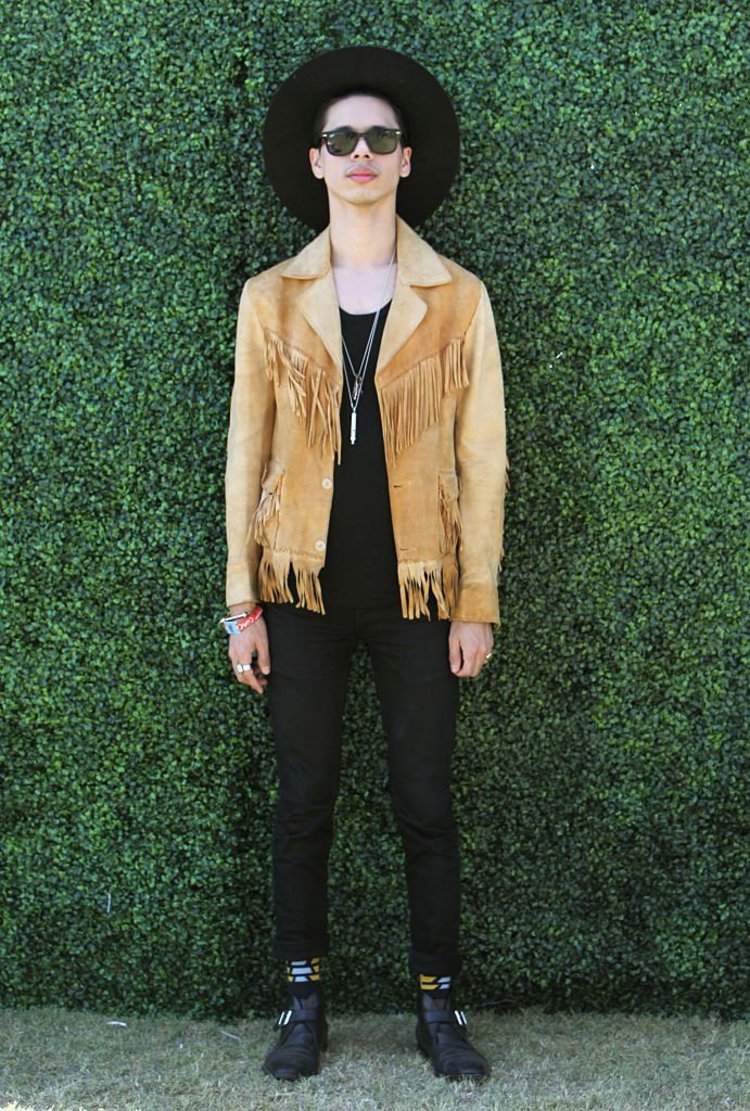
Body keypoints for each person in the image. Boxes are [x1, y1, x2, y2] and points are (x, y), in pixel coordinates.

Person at [222, 46, 507, 1083]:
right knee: (304, 803)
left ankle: (439, 1006)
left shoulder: (457, 298)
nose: (359, 153)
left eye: (378, 137)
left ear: (404, 159)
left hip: (418, 596)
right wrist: (240, 603)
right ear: (315, 160)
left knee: (425, 801)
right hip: (296, 592)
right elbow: (244, 454)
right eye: (340, 137)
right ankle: (303, 1002)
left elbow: (484, 460)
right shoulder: (271, 298)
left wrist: (475, 600)